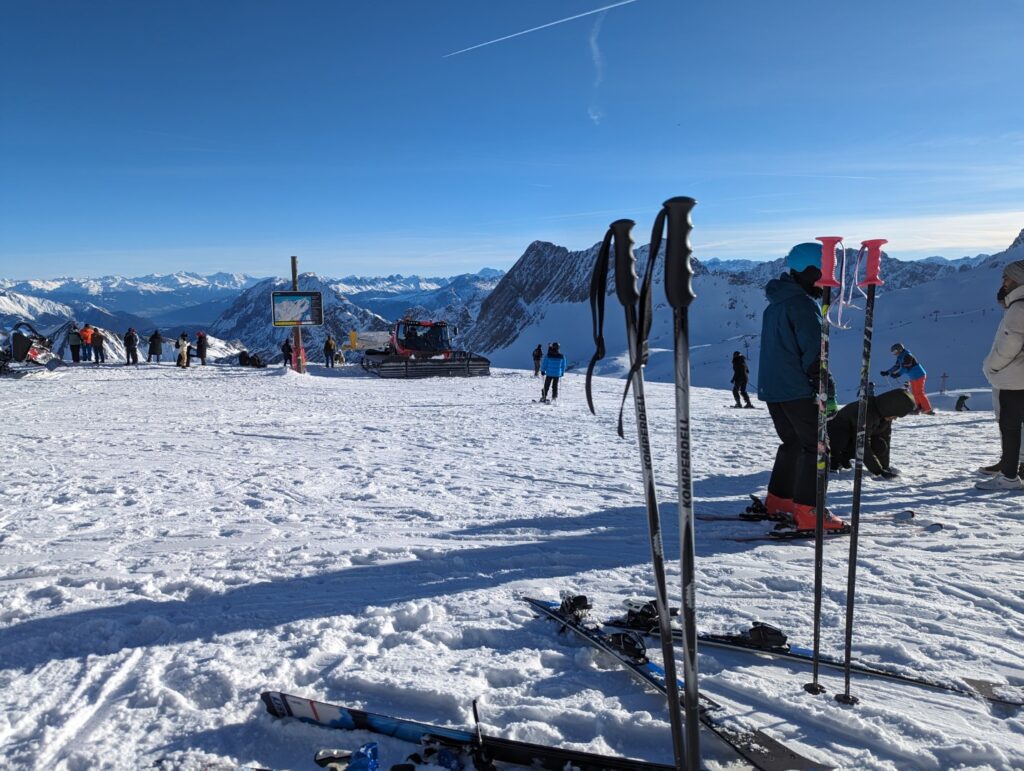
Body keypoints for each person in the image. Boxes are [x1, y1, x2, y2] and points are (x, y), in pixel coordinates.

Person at [756, 243, 847, 532]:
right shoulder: (802, 305)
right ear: (811, 270)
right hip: (797, 388)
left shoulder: (776, 303)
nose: (828, 280)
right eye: (825, 272)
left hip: (774, 390)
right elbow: (813, 353)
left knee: (793, 444)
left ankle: (779, 500)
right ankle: (810, 512)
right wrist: (827, 390)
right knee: (817, 448)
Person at [977, 260, 1024, 490]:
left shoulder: (1019, 308)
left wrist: (991, 366)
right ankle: (1015, 468)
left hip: (1014, 380)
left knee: (1010, 426)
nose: (1003, 282)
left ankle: (1008, 476)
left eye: (1006, 277)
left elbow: (1009, 345)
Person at [828, 389, 916, 478]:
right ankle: (834, 461)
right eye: (896, 415)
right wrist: (878, 471)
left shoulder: (885, 415)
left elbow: (885, 438)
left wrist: (884, 467)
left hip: (853, 441)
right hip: (835, 439)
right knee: (840, 439)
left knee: (880, 444)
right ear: (891, 408)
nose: (895, 418)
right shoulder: (866, 411)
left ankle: (844, 459)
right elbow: (862, 443)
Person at [882, 343, 933, 414]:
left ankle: (928, 409)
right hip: (913, 376)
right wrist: (887, 372)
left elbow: (906, 367)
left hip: (919, 375)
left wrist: (898, 374)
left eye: (895, 352)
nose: (894, 354)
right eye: (893, 352)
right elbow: (896, 366)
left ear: (899, 349)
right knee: (915, 393)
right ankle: (920, 408)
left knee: (919, 392)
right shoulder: (900, 357)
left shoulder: (908, 356)